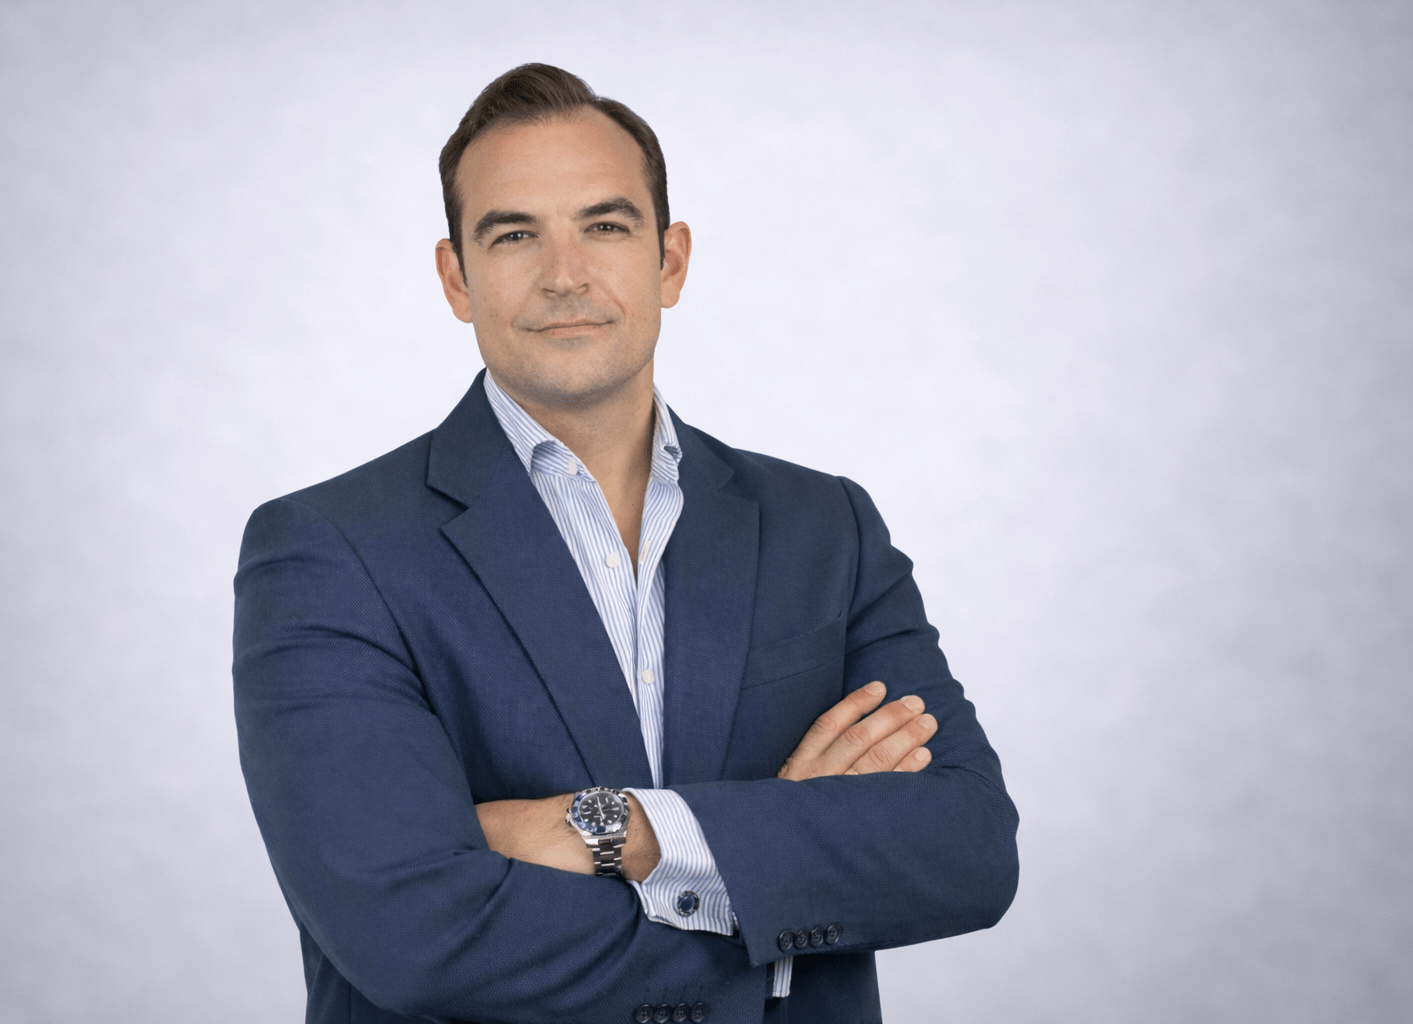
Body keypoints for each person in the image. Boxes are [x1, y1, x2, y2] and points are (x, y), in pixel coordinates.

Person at [233, 63, 1018, 1024]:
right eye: (514, 234)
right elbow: (414, 936)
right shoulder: (328, 553)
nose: (565, 274)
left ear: (670, 261)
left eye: (605, 226)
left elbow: (968, 848)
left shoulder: (826, 529)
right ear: (456, 279)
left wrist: (628, 832)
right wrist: (776, 880)